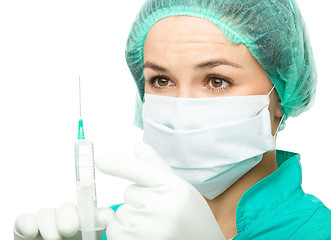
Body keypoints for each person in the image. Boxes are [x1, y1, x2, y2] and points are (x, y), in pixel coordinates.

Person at [14, 0, 331, 239]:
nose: (182, 111)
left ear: (281, 96)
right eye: (161, 81)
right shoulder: (112, 227)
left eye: (216, 81)